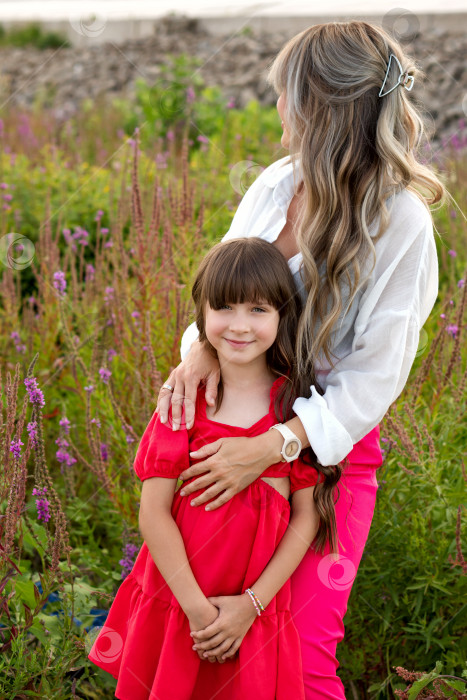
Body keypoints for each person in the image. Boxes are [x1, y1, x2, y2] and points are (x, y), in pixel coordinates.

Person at [156, 20, 448, 699]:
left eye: (285, 94)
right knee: (212, 650)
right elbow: (228, 291)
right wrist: (198, 347)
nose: (277, 109)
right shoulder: (273, 183)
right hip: (229, 435)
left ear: (318, 105)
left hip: (324, 461)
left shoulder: (399, 220)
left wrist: (276, 446)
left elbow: (373, 377)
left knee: (301, 657)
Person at [88, 237, 343, 700]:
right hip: (180, 602)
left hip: (253, 611)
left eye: (259, 310)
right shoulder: (182, 404)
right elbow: (154, 513)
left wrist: (251, 605)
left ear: (283, 316)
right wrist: (197, 611)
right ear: (201, 315)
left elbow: (308, 518)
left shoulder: (296, 412)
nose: (240, 325)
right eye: (224, 307)